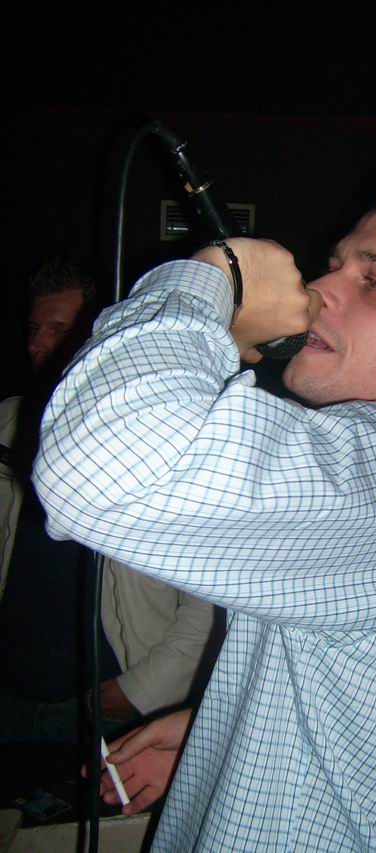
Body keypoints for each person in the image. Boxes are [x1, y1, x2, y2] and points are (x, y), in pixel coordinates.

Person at [34, 169, 376, 850]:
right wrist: (221, 727)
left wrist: (213, 277)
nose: (321, 288)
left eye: (375, 280)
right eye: (335, 265)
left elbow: (104, 470)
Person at [0, 256, 218, 742]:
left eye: (58, 330)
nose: (35, 344)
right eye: (34, 328)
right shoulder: (7, 423)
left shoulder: (166, 437)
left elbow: (212, 599)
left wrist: (145, 687)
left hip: (106, 699)